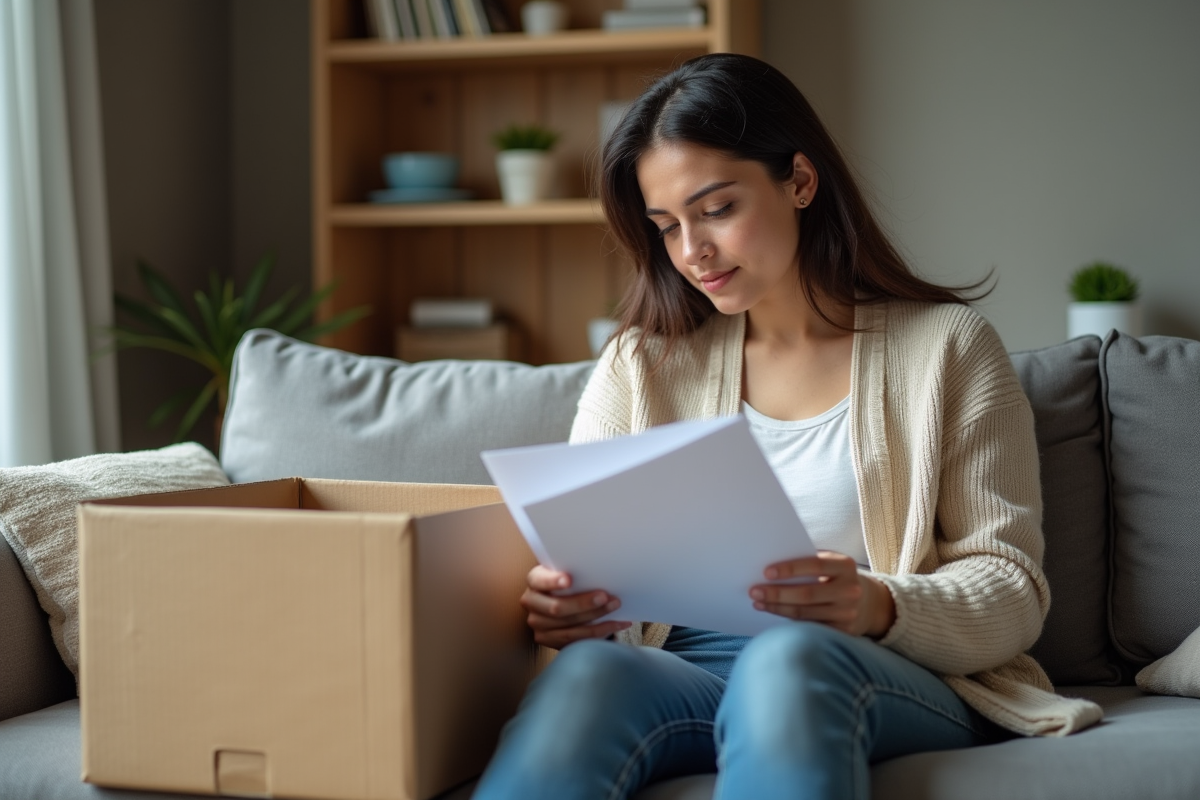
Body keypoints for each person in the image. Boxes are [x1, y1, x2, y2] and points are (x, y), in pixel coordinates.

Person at [472, 53, 1101, 800]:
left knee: (788, 661)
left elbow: (1012, 587)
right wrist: (574, 610)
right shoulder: (641, 364)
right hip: (686, 671)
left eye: (716, 209)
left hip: (869, 664)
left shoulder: (949, 348)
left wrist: (877, 602)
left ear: (799, 181)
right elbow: (593, 568)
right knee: (590, 673)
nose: (691, 251)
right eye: (667, 226)